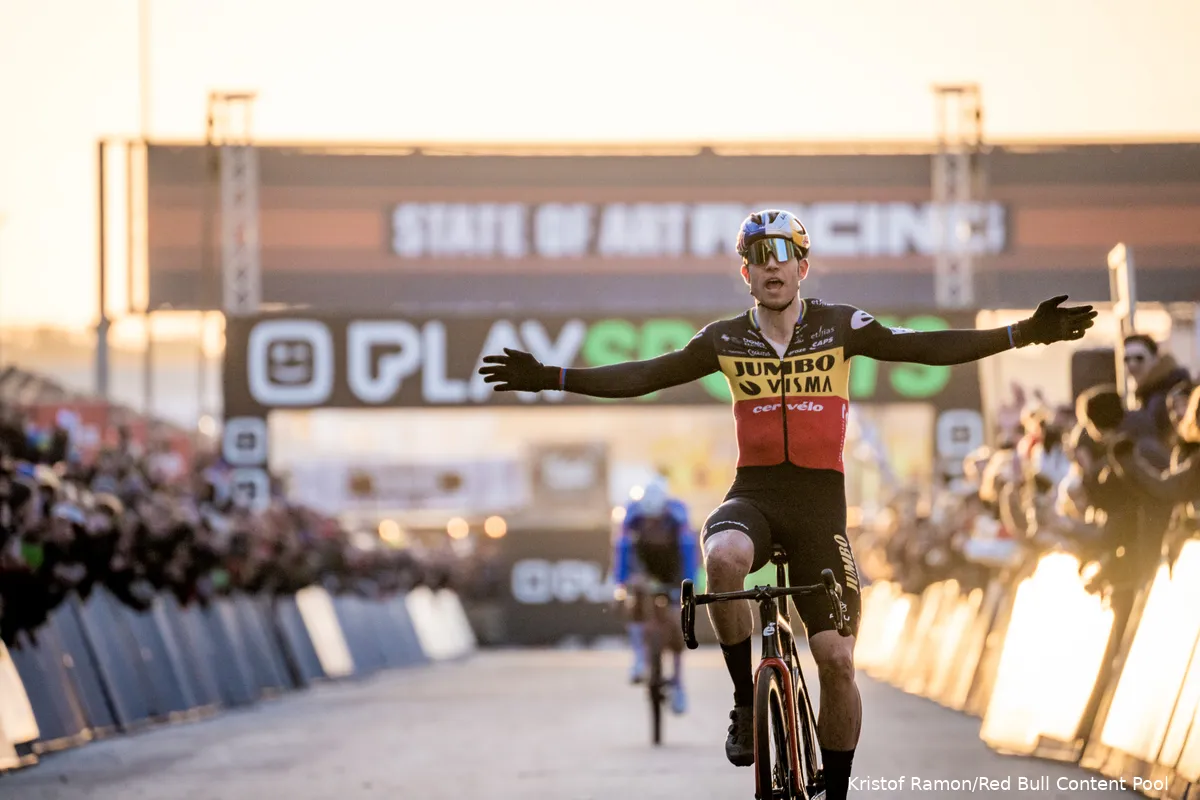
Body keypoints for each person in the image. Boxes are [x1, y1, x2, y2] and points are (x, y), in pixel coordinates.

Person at [479, 209, 1095, 800]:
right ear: (745, 272)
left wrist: (1023, 333)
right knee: (723, 558)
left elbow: (927, 348)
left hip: (820, 509)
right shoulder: (724, 339)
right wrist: (554, 377)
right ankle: (745, 704)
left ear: (803, 267)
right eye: (758, 255)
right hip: (754, 494)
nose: (771, 264)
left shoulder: (841, 326)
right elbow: (646, 375)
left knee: (837, 661)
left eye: (783, 254)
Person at [612, 478, 699, 714]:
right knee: (634, 602)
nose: (652, 525)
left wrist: (689, 587)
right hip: (645, 567)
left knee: (677, 622)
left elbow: (688, 556)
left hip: (672, 568)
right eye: (648, 521)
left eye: (657, 521)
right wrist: (622, 584)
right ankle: (639, 657)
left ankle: (678, 683)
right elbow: (623, 551)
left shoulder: (678, 518)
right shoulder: (632, 518)